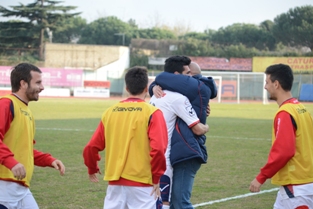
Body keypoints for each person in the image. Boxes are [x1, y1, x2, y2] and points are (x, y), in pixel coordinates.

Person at [83, 66, 168, 209]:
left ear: (127, 88)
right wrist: (156, 177)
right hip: (142, 183)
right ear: (146, 88)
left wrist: (92, 168)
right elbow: (159, 149)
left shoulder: (110, 112)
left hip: (115, 183)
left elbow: (91, 147)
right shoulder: (152, 112)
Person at [149, 60, 217, 209]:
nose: (191, 78)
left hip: (175, 155)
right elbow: (198, 128)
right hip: (176, 155)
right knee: (175, 203)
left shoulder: (158, 96)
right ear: (176, 76)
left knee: (174, 203)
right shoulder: (175, 97)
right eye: (188, 74)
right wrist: (206, 126)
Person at [0, 63, 65, 209]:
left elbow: (24, 149)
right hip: (4, 187)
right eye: (38, 82)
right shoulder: (6, 104)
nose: (42, 87)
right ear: (23, 83)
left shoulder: (26, 111)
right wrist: (11, 162)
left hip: (20, 189)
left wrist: (48, 160)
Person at [249, 64, 313, 209]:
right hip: (302, 183)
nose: (265, 87)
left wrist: (261, 177)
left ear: (276, 84)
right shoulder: (302, 109)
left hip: (296, 187)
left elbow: (284, 151)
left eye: (267, 82)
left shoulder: (285, 113)